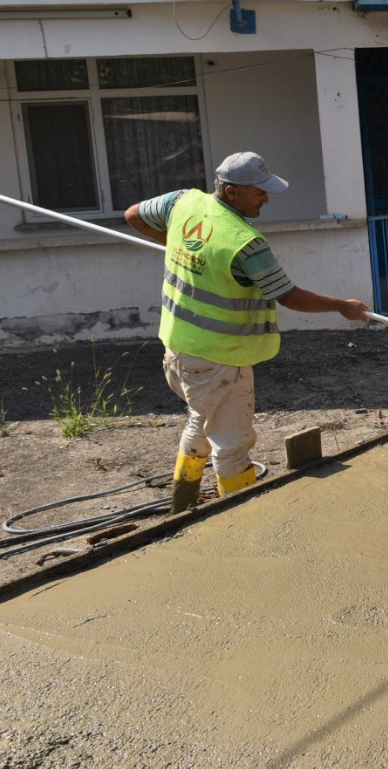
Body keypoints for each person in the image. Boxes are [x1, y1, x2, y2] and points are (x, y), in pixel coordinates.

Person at [125, 152, 369, 512]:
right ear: (231, 191)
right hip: (220, 359)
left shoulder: (183, 202)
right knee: (233, 445)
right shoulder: (245, 242)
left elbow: (133, 215)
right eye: (259, 192)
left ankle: (181, 506)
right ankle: (238, 523)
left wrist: (175, 244)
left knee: (201, 419)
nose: (266, 199)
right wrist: (342, 307)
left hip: (178, 348)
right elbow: (288, 296)